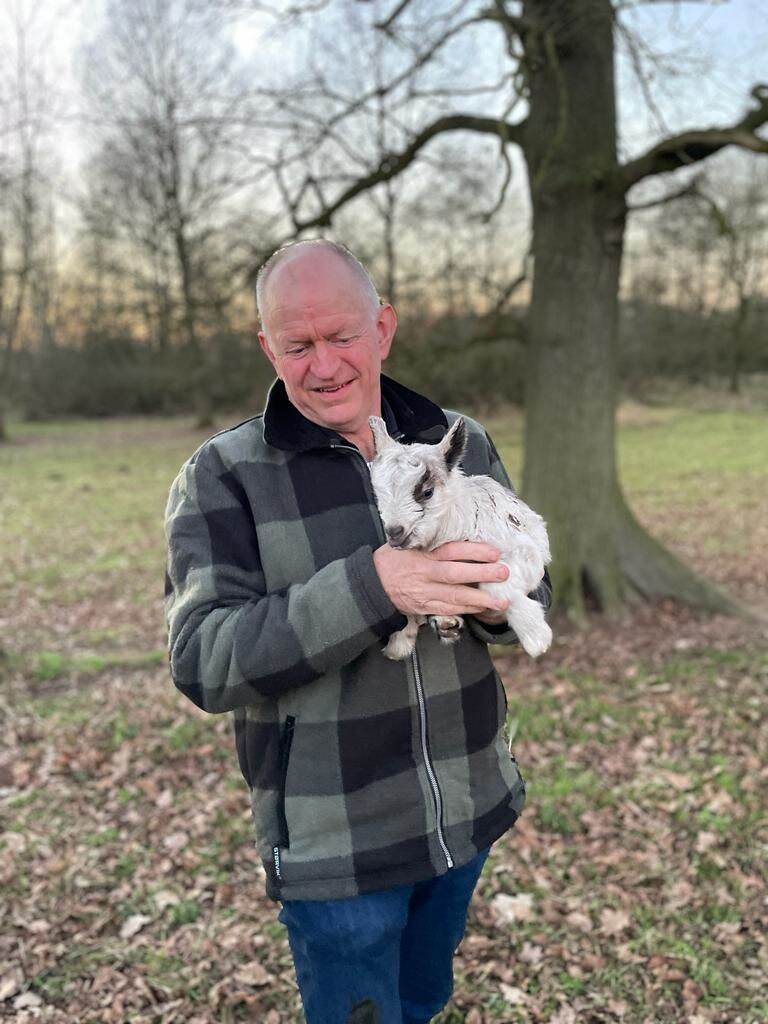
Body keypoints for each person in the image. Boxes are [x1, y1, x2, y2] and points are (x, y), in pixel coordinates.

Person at [164, 239, 552, 1024]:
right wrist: (373, 586)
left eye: (342, 336)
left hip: (467, 809)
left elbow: (529, 585)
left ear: (383, 328)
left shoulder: (458, 439)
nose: (324, 364)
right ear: (267, 346)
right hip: (334, 843)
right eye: (298, 345)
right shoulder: (223, 474)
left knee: (424, 1000)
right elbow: (204, 659)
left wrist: (493, 602)